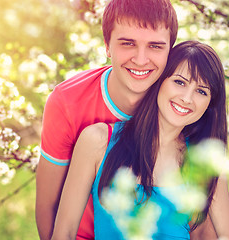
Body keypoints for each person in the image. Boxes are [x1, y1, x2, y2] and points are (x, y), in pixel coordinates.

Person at [51, 41, 229, 240]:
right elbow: (64, 233)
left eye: (202, 91)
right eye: (180, 82)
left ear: (210, 105)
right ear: (160, 81)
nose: (187, 98)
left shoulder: (204, 163)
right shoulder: (98, 141)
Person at [36, 0, 178, 239]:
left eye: (155, 46)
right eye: (128, 43)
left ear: (169, 51)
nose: (141, 59)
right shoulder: (67, 103)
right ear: (107, 46)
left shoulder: (180, 103)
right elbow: (48, 205)